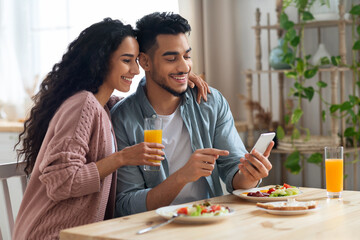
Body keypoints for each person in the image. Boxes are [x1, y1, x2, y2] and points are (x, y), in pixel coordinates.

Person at [13, 18, 208, 240]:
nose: (135, 70)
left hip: (85, 233)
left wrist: (179, 77)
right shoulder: (83, 105)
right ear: (101, 61)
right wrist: (121, 158)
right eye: (127, 60)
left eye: (136, 60)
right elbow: (61, 182)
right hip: (55, 234)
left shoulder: (104, 106)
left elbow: (142, 99)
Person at [111, 12, 274, 217]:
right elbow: (126, 203)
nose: (184, 67)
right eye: (172, 59)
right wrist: (182, 177)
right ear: (145, 62)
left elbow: (233, 169)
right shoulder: (122, 119)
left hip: (209, 220)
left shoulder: (210, 102)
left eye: (187, 56)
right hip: (154, 229)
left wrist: (250, 175)